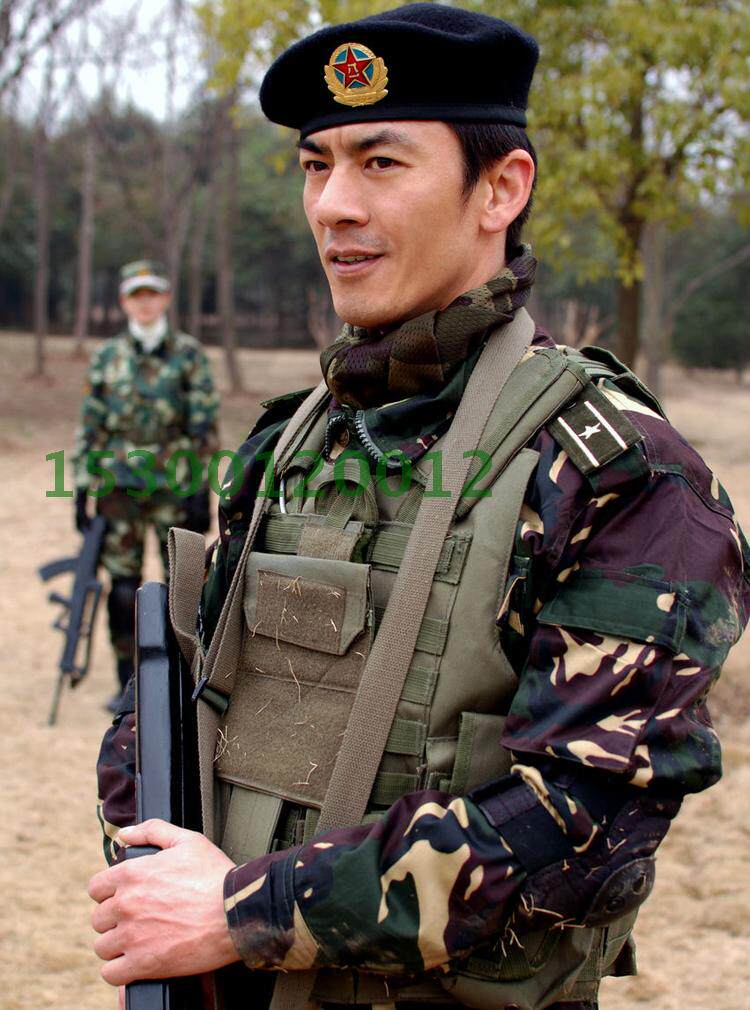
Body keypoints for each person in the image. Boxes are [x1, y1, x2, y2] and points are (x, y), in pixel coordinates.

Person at [89, 7, 750, 1010]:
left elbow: (583, 826)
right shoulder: (286, 445)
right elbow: (172, 704)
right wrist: (151, 875)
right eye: (315, 165)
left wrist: (243, 911)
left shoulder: (620, 472)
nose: (332, 206)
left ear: (502, 189)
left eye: (381, 163)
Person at [73, 259, 219, 710]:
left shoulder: (189, 354)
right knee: (122, 588)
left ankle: (180, 679)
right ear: (124, 302)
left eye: (152, 294)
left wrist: (201, 488)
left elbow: (204, 427)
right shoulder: (107, 357)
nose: (145, 303)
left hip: (174, 487)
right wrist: (81, 484)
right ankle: (127, 683)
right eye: (137, 295)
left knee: (183, 586)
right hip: (119, 490)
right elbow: (91, 425)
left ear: (166, 298)